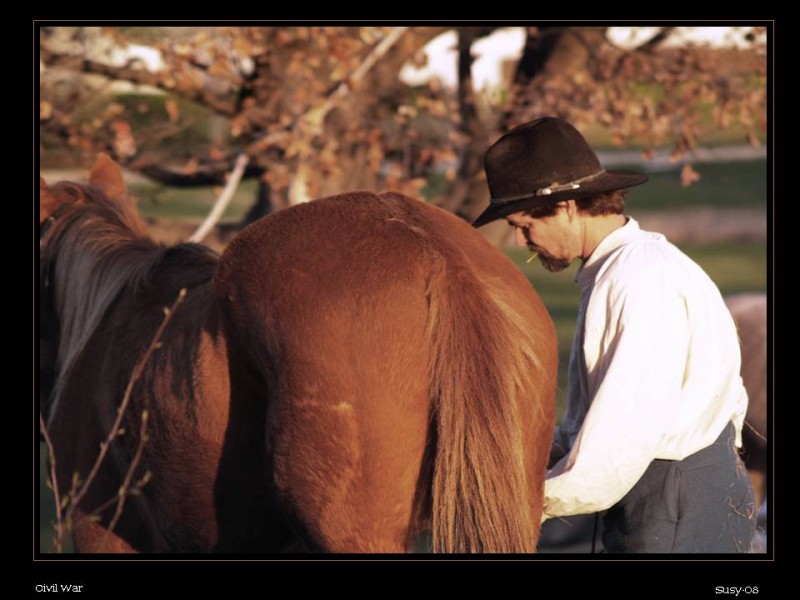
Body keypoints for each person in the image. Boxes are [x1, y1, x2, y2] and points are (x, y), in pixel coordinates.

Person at [472, 116, 757, 553]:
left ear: (567, 207)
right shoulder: (624, 270)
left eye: (525, 225)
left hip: (673, 506)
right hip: (668, 494)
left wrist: (522, 501)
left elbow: (619, 438)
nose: (521, 240)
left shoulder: (637, 280)